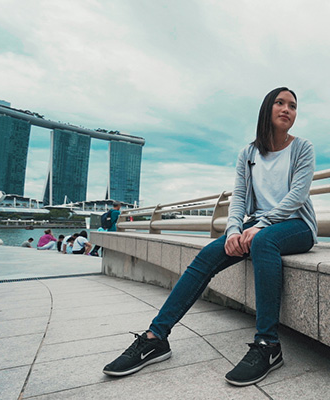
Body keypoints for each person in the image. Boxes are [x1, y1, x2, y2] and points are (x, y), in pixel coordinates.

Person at [103, 87, 317, 386]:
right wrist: (232, 230)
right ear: (266, 109)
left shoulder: (302, 147)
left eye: (293, 106)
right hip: (255, 226)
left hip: (295, 226)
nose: (287, 109)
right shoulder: (249, 153)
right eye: (280, 103)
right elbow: (239, 197)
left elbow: (298, 195)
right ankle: (155, 337)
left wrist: (261, 225)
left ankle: (268, 345)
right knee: (206, 256)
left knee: (263, 240)